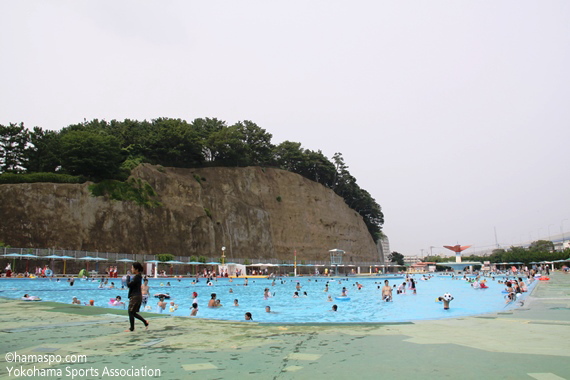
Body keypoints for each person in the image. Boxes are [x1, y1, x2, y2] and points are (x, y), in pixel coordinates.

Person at [125, 262, 149, 332]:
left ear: (136, 269)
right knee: (133, 312)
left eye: (132, 268)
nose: (131, 269)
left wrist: (128, 277)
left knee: (131, 312)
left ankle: (132, 328)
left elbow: (129, 285)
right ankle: (145, 322)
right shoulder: (138, 276)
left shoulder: (137, 277)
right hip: (137, 296)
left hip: (135, 296)